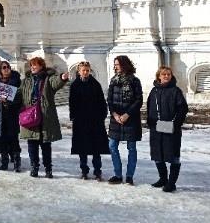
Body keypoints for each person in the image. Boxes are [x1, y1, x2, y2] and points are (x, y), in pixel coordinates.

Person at [18, 57, 68, 178]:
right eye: (31, 65)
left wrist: (62, 78)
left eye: (35, 65)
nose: (32, 67)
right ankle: (34, 167)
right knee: (32, 144)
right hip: (30, 115)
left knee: (45, 145)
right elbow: (18, 94)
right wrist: (6, 96)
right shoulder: (26, 81)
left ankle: (48, 168)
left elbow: (56, 83)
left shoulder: (48, 78)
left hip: (45, 116)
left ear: (41, 66)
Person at [147, 66, 188, 192]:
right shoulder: (154, 91)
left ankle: (171, 183)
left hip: (172, 129)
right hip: (156, 128)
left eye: (168, 74)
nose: (166, 76)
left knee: (173, 156)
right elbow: (149, 107)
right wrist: (150, 121)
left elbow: (183, 109)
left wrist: (176, 124)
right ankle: (163, 179)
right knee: (157, 155)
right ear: (159, 76)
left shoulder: (176, 91)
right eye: (164, 74)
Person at [69, 61, 109, 181]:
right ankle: (84, 171)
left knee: (96, 148)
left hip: (95, 121)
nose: (86, 72)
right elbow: (72, 102)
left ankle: (98, 172)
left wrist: (102, 115)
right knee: (82, 148)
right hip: (80, 121)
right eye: (83, 70)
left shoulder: (95, 84)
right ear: (79, 71)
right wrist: (73, 117)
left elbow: (102, 101)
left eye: (87, 70)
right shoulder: (75, 85)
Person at [107, 56, 143, 185]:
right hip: (116, 119)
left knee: (131, 148)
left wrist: (127, 114)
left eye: (117, 64)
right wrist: (115, 114)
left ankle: (129, 176)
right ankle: (118, 175)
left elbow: (139, 100)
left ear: (124, 65)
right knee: (112, 146)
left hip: (131, 119)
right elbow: (109, 100)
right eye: (115, 64)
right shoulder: (113, 80)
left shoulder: (134, 81)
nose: (115, 67)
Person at [0, 61, 22, 172]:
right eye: (4, 67)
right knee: (2, 139)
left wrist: (8, 101)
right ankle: (4, 162)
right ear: (0, 70)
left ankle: (17, 162)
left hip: (12, 114)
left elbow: (19, 97)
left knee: (13, 139)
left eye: (8, 67)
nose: (6, 69)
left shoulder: (16, 80)